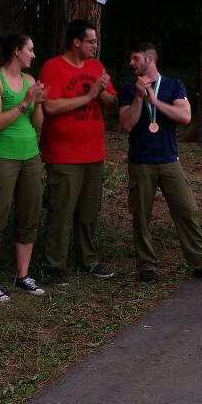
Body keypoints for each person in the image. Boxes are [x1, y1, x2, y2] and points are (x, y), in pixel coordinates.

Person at [118, 43, 202, 283]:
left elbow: (185, 116)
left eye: (135, 58)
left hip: (169, 160)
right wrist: (139, 97)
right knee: (141, 216)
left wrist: (155, 102)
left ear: (149, 59)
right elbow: (126, 124)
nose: (131, 63)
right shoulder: (128, 89)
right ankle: (146, 266)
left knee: (187, 210)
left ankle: (201, 262)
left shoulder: (173, 85)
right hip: (141, 161)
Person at [38, 18, 118, 285]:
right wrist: (88, 95)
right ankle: (53, 266)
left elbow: (112, 103)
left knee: (88, 212)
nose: (95, 45)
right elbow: (50, 107)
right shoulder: (53, 67)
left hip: (94, 154)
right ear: (76, 42)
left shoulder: (95, 66)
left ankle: (88, 261)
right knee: (60, 212)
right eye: (91, 41)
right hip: (64, 155)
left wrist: (101, 93)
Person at [0, 34, 48, 301]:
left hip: (30, 155)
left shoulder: (29, 80)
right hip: (3, 156)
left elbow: (38, 124)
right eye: (30, 49)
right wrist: (25, 101)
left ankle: (23, 275)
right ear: (17, 51)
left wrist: (39, 103)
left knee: (29, 214)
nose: (33, 55)